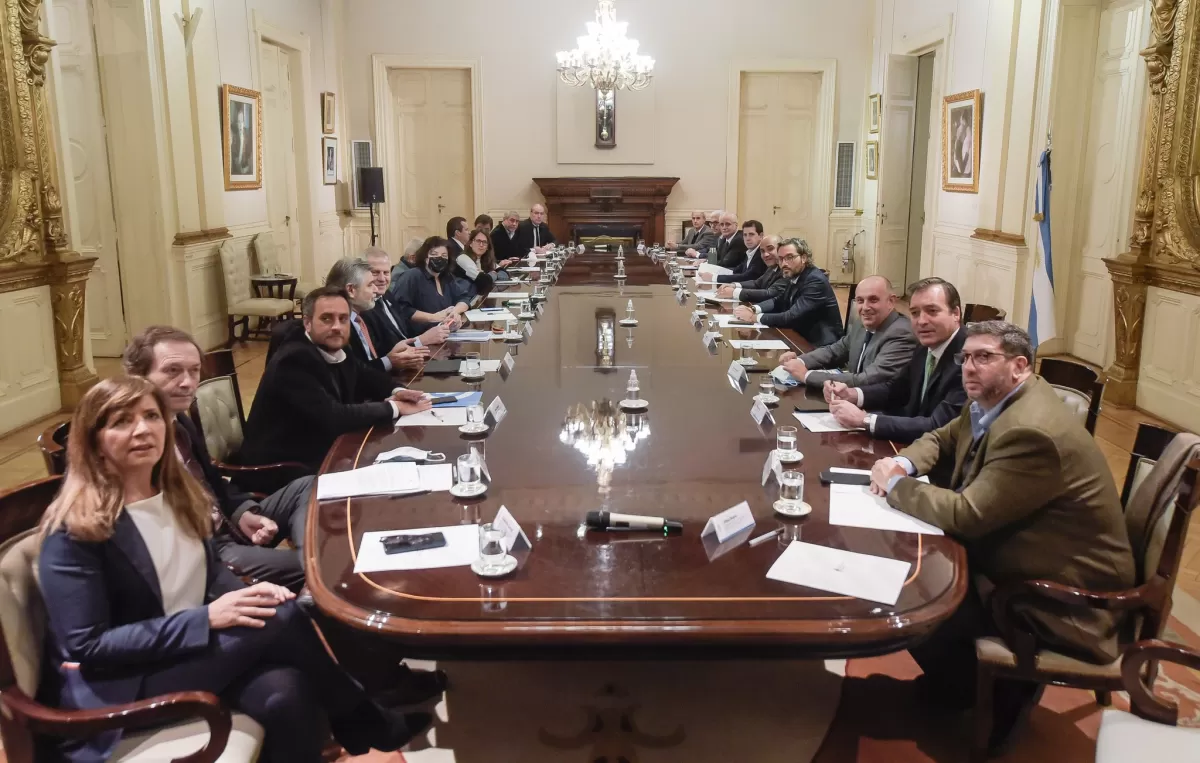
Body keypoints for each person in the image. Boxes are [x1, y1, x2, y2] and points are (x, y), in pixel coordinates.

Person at [36, 376, 432, 763]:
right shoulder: (73, 531)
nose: (142, 430)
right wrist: (207, 618)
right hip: (124, 681)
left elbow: (208, 573)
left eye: (151, 417)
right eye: (122, 422)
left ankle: (365, 721)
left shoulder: (177, 496)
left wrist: (246, 595)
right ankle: (369, 722)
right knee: (284, 617)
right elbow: (88, 647)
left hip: (188, 651)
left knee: (286, 694)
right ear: (94, 442)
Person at [867, 321, 1135, 752]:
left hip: (1064, 596)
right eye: (966, 358)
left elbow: (968, 515)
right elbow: (940, 437)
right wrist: (902, 466)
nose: (969, 368)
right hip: (1028, 552)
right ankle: (959, 685)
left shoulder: (1031, 431)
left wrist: (897, 488)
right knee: (915, 565)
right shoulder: (992, 401)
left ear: (1019, 366)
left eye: (984, 357)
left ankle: (977, 692)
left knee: (917, 592)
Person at [122, 327, 312, 591]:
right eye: (172, 371)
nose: (188, 382)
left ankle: (309, 559)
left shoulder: (181, 422)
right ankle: (312, 573)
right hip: (206, 552)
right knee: (318, 567)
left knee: (309, 485)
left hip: (225, 525)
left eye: (194, 370)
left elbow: (213, 480)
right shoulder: (132, 442)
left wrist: (241, 511)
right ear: (138, 376)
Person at [241, 286, 433, 471]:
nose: (336, 327)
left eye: (343, 319)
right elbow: (333, 417)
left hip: (323, 451)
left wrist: (398, 391)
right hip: (285, 468)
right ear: (307, 323)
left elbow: (366, 376)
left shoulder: (336, 345)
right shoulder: (293, 360)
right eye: (326, 319)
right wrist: (394, 408)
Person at [824, 277, 968, 442]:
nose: (921, 321)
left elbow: (938, 426)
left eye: (932, 311)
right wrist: (853, 394)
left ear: (956, 313)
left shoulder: (969, 359)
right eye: (915, 313)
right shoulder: (926, 344)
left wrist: (865, 420)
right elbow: (897, 389)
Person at [777, 275, 916, 388]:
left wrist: (806, 376)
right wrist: (800, 361)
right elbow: (834, 351)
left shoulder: (901, 333)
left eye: (873, 300)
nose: (865, 307)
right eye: (860, 301)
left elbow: (867, 380)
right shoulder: (861, 324)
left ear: (891, 301)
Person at [326, 258, 429, 373]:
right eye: (370, 285)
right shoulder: (336, 327)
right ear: (351, 290)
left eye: (386, 272)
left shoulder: (358, 318)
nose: (375, 289)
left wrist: (392, 357)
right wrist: (390, 361)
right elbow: (353, 373)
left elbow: (369, 363)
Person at [733, 238, 842, 347]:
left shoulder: (815, 280)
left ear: (803, 258)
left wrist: (753, 317)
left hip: (820, 345)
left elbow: (791, 316)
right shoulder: (794, 274)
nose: (784, 263)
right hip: (800, 335)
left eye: (789, 257)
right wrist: (753, 309)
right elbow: (778, 300)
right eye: (780, 259)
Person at [364, 247, 452, 351]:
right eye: (375, 272)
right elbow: (385, 353)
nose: (382, 279)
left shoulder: (387, 295)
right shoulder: (364, 307)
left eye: (386, 273)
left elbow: (405, 330)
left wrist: (444, 325)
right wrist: (422, 341)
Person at [390, 236, 473, 336]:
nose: (439, 258)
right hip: (419, 339)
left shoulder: (446, 277)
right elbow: (401, 308)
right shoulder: (412, 276)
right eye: (434, 254)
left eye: (444, 255)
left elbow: (464, 298)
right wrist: (433, 317)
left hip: (445, 336)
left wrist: (455, 313)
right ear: (425, 258)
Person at [717, 235, 781, 301]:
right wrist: (734, 285)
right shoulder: (771, 268)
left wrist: (734, 292)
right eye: (762, 251)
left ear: (781, 249)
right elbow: (756, 283)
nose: (765, 254)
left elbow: (769, 293)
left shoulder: (784, 270)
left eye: (770, 249)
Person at [700, 220, 764, 284]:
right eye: (745, 235)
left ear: (761, 236)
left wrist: (714, 277)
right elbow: (737, 270)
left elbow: (747, 277)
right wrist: (713, 271)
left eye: (751, 234)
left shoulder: (762, 253)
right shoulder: (750, 251)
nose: (747, 238)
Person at [452, 226, 498, 298]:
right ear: (470, 243)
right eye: (478, 241)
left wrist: (487, 275)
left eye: (485, 242)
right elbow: (484, 282)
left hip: (478, 298)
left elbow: (503, 273)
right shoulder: (463, 258)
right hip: (462, 300)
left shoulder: (484, 259)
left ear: (487, 247)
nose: (481, 245)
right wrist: (493, 274)